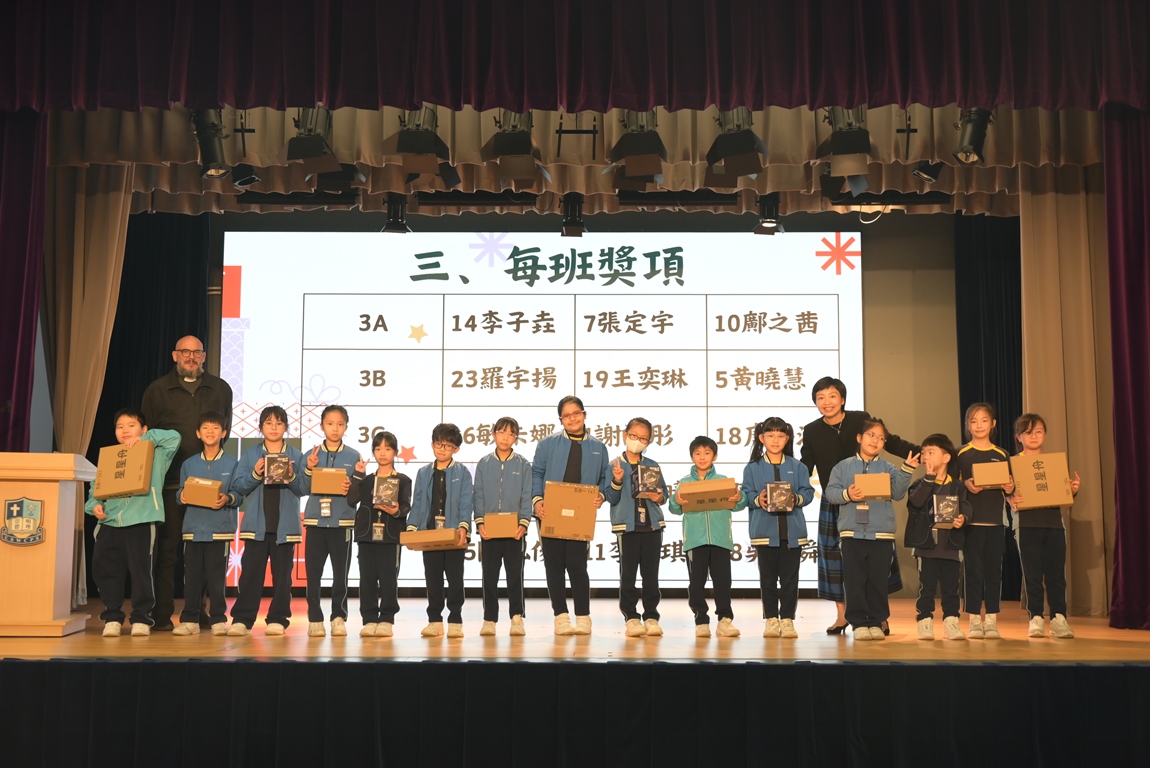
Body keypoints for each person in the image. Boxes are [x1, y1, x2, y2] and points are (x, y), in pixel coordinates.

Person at [799, 376, 919, 635]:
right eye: (820, 398)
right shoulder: (811, 430)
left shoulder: (860, 420)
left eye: (832, 396)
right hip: (836, 497)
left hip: (872, 498)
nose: (827, 402)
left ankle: (878, 616)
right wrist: (790, 487)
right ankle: (843, 616)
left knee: (877, 563)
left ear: (842, 399)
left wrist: (921, 452)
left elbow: (890, 440)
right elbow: (805, 465)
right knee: (836, 559)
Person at [141, 335, 233, 630]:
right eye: (185, 352)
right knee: (167, 553)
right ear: (174, 355)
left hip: (208, 486)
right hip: (169, 485)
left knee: (204, 553)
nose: (191, 357)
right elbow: (147, 439)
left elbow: (225, 432)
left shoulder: (220, 389)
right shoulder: (157, 390)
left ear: (203, 356)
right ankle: (162, 614)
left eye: (196, 352)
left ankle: (198, 612)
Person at [84, 409, 180, 637]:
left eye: (131, 425)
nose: (125, 430)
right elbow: (95, 490)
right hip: (109, 523)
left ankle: (141, 618)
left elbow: (174, 437)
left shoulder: (156, 453)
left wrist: (145, 439)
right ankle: (112, 618)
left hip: (142, 520)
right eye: (120, 427)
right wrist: (94, 506)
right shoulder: (110, 457)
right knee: (107, 571)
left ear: (143, 429)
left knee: (142, 572)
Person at [825, 417, 918, 641]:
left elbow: (898, 493)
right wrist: (848, 494)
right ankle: (858, 623)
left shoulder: (888, 468)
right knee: (854, 580)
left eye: (881, 438)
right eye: (871, 435)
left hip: (881, 534)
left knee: (878, 580)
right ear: (859, 438)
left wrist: (906, 470)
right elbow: (831, 493)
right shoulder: (843, 466)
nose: (875, 440)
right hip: (851, 533)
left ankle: (876, 621)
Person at [531, 396, 611, 636]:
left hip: (580, 516)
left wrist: (601, 496)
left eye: (576, 413)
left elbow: (604, 479)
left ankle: (583, 616)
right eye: (566, 415)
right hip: (550, 512)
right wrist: (537, 500)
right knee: (554, 566)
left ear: (584, 414)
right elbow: (537, 473)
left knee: (577, 565)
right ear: (560, 420)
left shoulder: (598, 447)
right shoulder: (547, 444)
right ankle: (561, 616)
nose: (572, 418)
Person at [227, 406, 305, 636]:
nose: (273, 428)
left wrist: (291, 476)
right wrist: (255, 474)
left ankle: (278, 619)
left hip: (285, 526)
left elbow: (303, 489)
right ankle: (243, 619)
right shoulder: (250, 454)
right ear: (261, 427)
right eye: (269, 423)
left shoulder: (296, 455)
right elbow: (238, 486)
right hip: (256, 526)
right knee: (250, 575)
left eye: (279, 423)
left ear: (286, 427)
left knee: (283, 577)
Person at [1009, 413, 1082, 639]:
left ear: (1045, 435)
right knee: (1032, 575)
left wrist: (1072, 490)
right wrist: (1009, 497)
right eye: (1028, 432)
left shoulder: (1053, 463)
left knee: (1056, 574)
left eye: (1038, 431)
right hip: (1026, 525)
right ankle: (1036, 618)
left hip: (1053, 525)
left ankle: (1059, 618)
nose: (1034, 436)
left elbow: (1061, 492)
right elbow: (1006, 494)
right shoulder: (1013, 463)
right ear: (1019, 437)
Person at [741, 418, 815, 639]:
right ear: (761, 438)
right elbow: (746, 495)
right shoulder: (752, 468)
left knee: (790, 580)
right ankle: (771, 619)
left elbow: (808, 492)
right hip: (764, 533)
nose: (775, 440)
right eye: (770, 435)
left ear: (787, 439)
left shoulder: (798, 466)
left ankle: (788, 619)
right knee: (768, 580)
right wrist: (759, 500)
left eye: (780, 436)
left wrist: (796, 498)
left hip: (793, 533)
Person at [668, 435, 746, 638]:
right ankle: (701, 619)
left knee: (723, 582)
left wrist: (739, 497)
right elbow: (674, 509)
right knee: (696, 583)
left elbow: (739, 504)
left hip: (720, 540)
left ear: (715, 456)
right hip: (696, 541)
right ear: (692, 457)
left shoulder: (723, 481)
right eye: (697, 453)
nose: (702, 457)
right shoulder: (684, 483)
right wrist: (676, 500)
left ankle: (725, 620)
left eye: (707, 453)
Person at [173, 411, 240, 636]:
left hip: (219, 531)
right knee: (191, 577)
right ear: (198, 433)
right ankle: (190, 619)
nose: (210, 432)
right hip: (193, 530)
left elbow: (238, 494)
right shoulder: (189, 463)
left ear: (224, 433)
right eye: (205, 428)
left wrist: (227, 498)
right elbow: (180, 491)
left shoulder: (232, 463)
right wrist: (181, 496)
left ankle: (218, 619)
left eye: (215, 428)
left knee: (216, 578)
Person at [300, 405, 363, 638]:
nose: (335, 428)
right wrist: (309, 468)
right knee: (313, 574)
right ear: (321, 426)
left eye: (340, 424)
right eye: (330, 423)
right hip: (316, 522)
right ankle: (315, 618)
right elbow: (301, 488)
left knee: (340, 575)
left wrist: (353, 484)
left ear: (346, 427)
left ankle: (338, 617)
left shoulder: (354, 456)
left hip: (342, 523)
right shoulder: (311, 454)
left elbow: (357, 496)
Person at [406, 423, 473, 638]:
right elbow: (417, 503)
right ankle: (434, 620)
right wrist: (411, 528)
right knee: (432, 579)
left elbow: (466, 503)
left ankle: (455, 620)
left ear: (456, 449)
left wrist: (464, 526)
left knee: (455, 579)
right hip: (430, 534)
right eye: (438, 444)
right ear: (432, 445)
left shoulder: (462, 472)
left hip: (453, 534)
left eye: (448, 445)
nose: (442, 449)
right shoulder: (424, 472)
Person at [605, 417, 670, 638]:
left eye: (643, 438)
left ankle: (651, 616)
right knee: (628, 575)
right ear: (625, 435)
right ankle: (631, 617)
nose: (638, 441)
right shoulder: (614, 465)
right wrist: (617, 480)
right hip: (627, 527)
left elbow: (664, 494)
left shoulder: (652, 465)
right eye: (634, 436)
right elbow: (611, 497)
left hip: (652, 526)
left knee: (651, 575)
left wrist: (659, 496)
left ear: (648, 442)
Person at [954, 403, 1014, 639]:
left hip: (996, 522)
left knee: (993, 572)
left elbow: (1011, 488)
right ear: (967, 425)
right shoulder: (960, 453)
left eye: (984, 420)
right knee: (972, 572)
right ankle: (973, 619)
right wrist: (965, 485)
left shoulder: (1002, 454)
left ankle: (991, 619)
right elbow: (951, 484)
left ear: (993, 424)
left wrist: (1010, 487)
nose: (979, 425)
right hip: (970, 523)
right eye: (973, 421)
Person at [905, 434, 970, 641]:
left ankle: (951, 622)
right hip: (927, 546)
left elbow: (966, 506)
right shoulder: (920, 483)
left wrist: (963, 518)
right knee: (927, 587)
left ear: (946, 457)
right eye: (923, 453)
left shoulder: (957, 485)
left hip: (951, 546)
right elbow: (915, 502)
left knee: (952, 588)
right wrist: (929, 479)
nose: (925, 457)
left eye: (931, 452)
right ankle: (924, 621)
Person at [473, 417, 533, 637]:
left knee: (515, 575)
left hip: (514, 531)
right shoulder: (484, 463)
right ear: (493, 434)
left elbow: (526, 495)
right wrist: (480, 522)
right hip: (489, 530)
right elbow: (478, 494)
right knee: (489, 576)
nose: (505, 438)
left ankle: (517, 617)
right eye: (501, 432)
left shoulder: (523, 464)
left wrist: (524, 522)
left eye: (511, 434)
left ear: (516, 438)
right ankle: (489, 619)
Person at [354, 431, 411, 638]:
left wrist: (396, 511)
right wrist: (358, 475)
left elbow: (406, 506)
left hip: (390, 537)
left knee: (389, 579)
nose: (383, 453)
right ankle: (369, 619)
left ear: (395, 452)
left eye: (388, 449)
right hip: (366, 536)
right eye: (378, 449)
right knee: (367, 579)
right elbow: (351, 499)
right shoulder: (367, 480)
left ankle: (387, 619)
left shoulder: (402, 480)